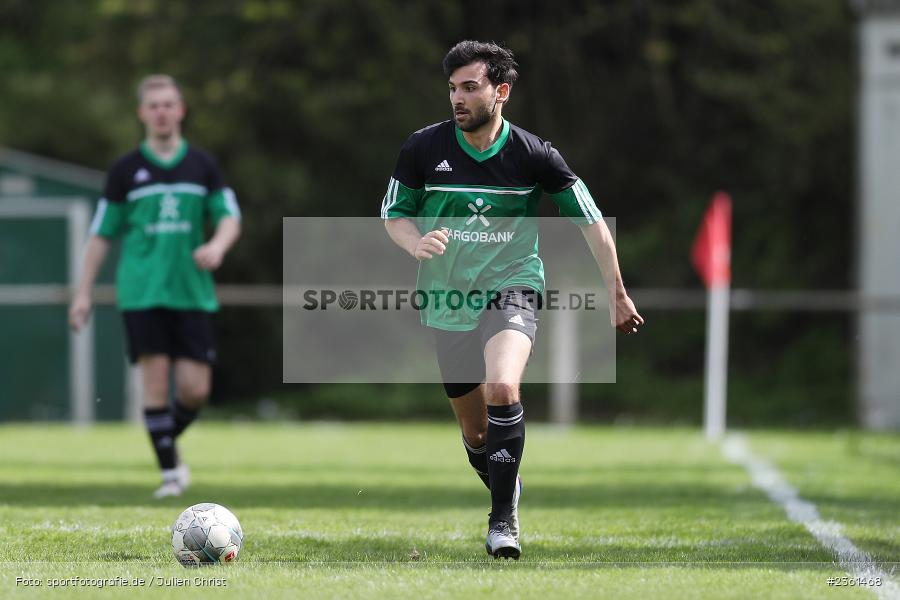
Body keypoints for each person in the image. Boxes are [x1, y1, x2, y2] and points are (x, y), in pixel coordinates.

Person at [382, 41, 643, 559]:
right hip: (447, 296)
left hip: (513, 284)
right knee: (476, 431)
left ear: (501, 92)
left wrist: (617, 292)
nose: (457, 97)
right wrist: (416, 243)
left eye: (470, 87)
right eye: (453, 87)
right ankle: (507, 485)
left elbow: (591, 223)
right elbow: (394, 212)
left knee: (503, 385)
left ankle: (502, 521)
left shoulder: (533, 154)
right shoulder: (422, 148)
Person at [69, 74, 241, 498]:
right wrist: (84, 292)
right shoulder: (126, 171)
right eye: (154, 105)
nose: (162, 111)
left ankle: (166, 443)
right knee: (156, 384)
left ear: (180, 110)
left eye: (169, 104)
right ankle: (169, 474)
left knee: (195, 390)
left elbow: (229, 216)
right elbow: (100, 234)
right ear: (142, 113)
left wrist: (217, 246)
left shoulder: (202, 165)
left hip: (191, 290)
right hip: (142, 291)